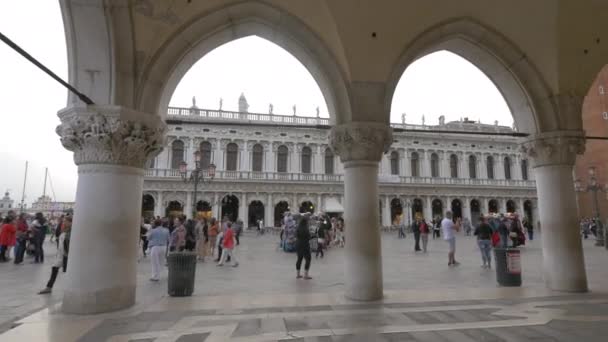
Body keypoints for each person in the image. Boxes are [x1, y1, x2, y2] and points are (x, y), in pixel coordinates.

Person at [38, 216, 72, 294]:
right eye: (64, 221)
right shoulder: (65, 231)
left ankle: (70, 289)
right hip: (61, 255)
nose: (64, 222)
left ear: (71, 222)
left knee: (69, 273)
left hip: (66, 256)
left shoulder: (71, 233)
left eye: (65, 221)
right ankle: (49, 287)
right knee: (54, 269)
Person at [295, 214, 312, 279]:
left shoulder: (298, 228)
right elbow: (309, 237)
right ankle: (306, 275)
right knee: (308, 259)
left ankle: (298, 274)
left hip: (298, 244)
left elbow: (296, 235)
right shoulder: (306, 229)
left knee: (299, 259)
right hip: (305, 245)